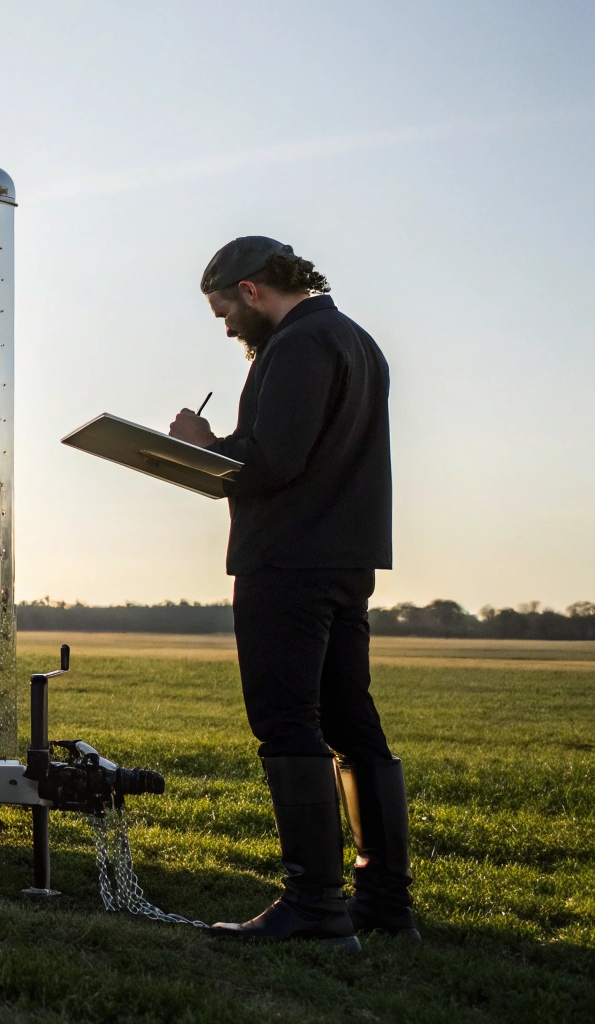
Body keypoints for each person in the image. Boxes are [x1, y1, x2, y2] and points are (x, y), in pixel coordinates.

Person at [167, 237, 418, 947]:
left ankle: (315, 907)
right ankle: (384, 906)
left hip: (288, 560)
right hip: (345, 559)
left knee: (286, 723)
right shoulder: (359, 342)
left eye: (223, 311)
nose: (224, 326)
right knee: (351, 724)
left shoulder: (301, 344)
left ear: (250, 291)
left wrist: (203, 442)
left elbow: (274, 459)